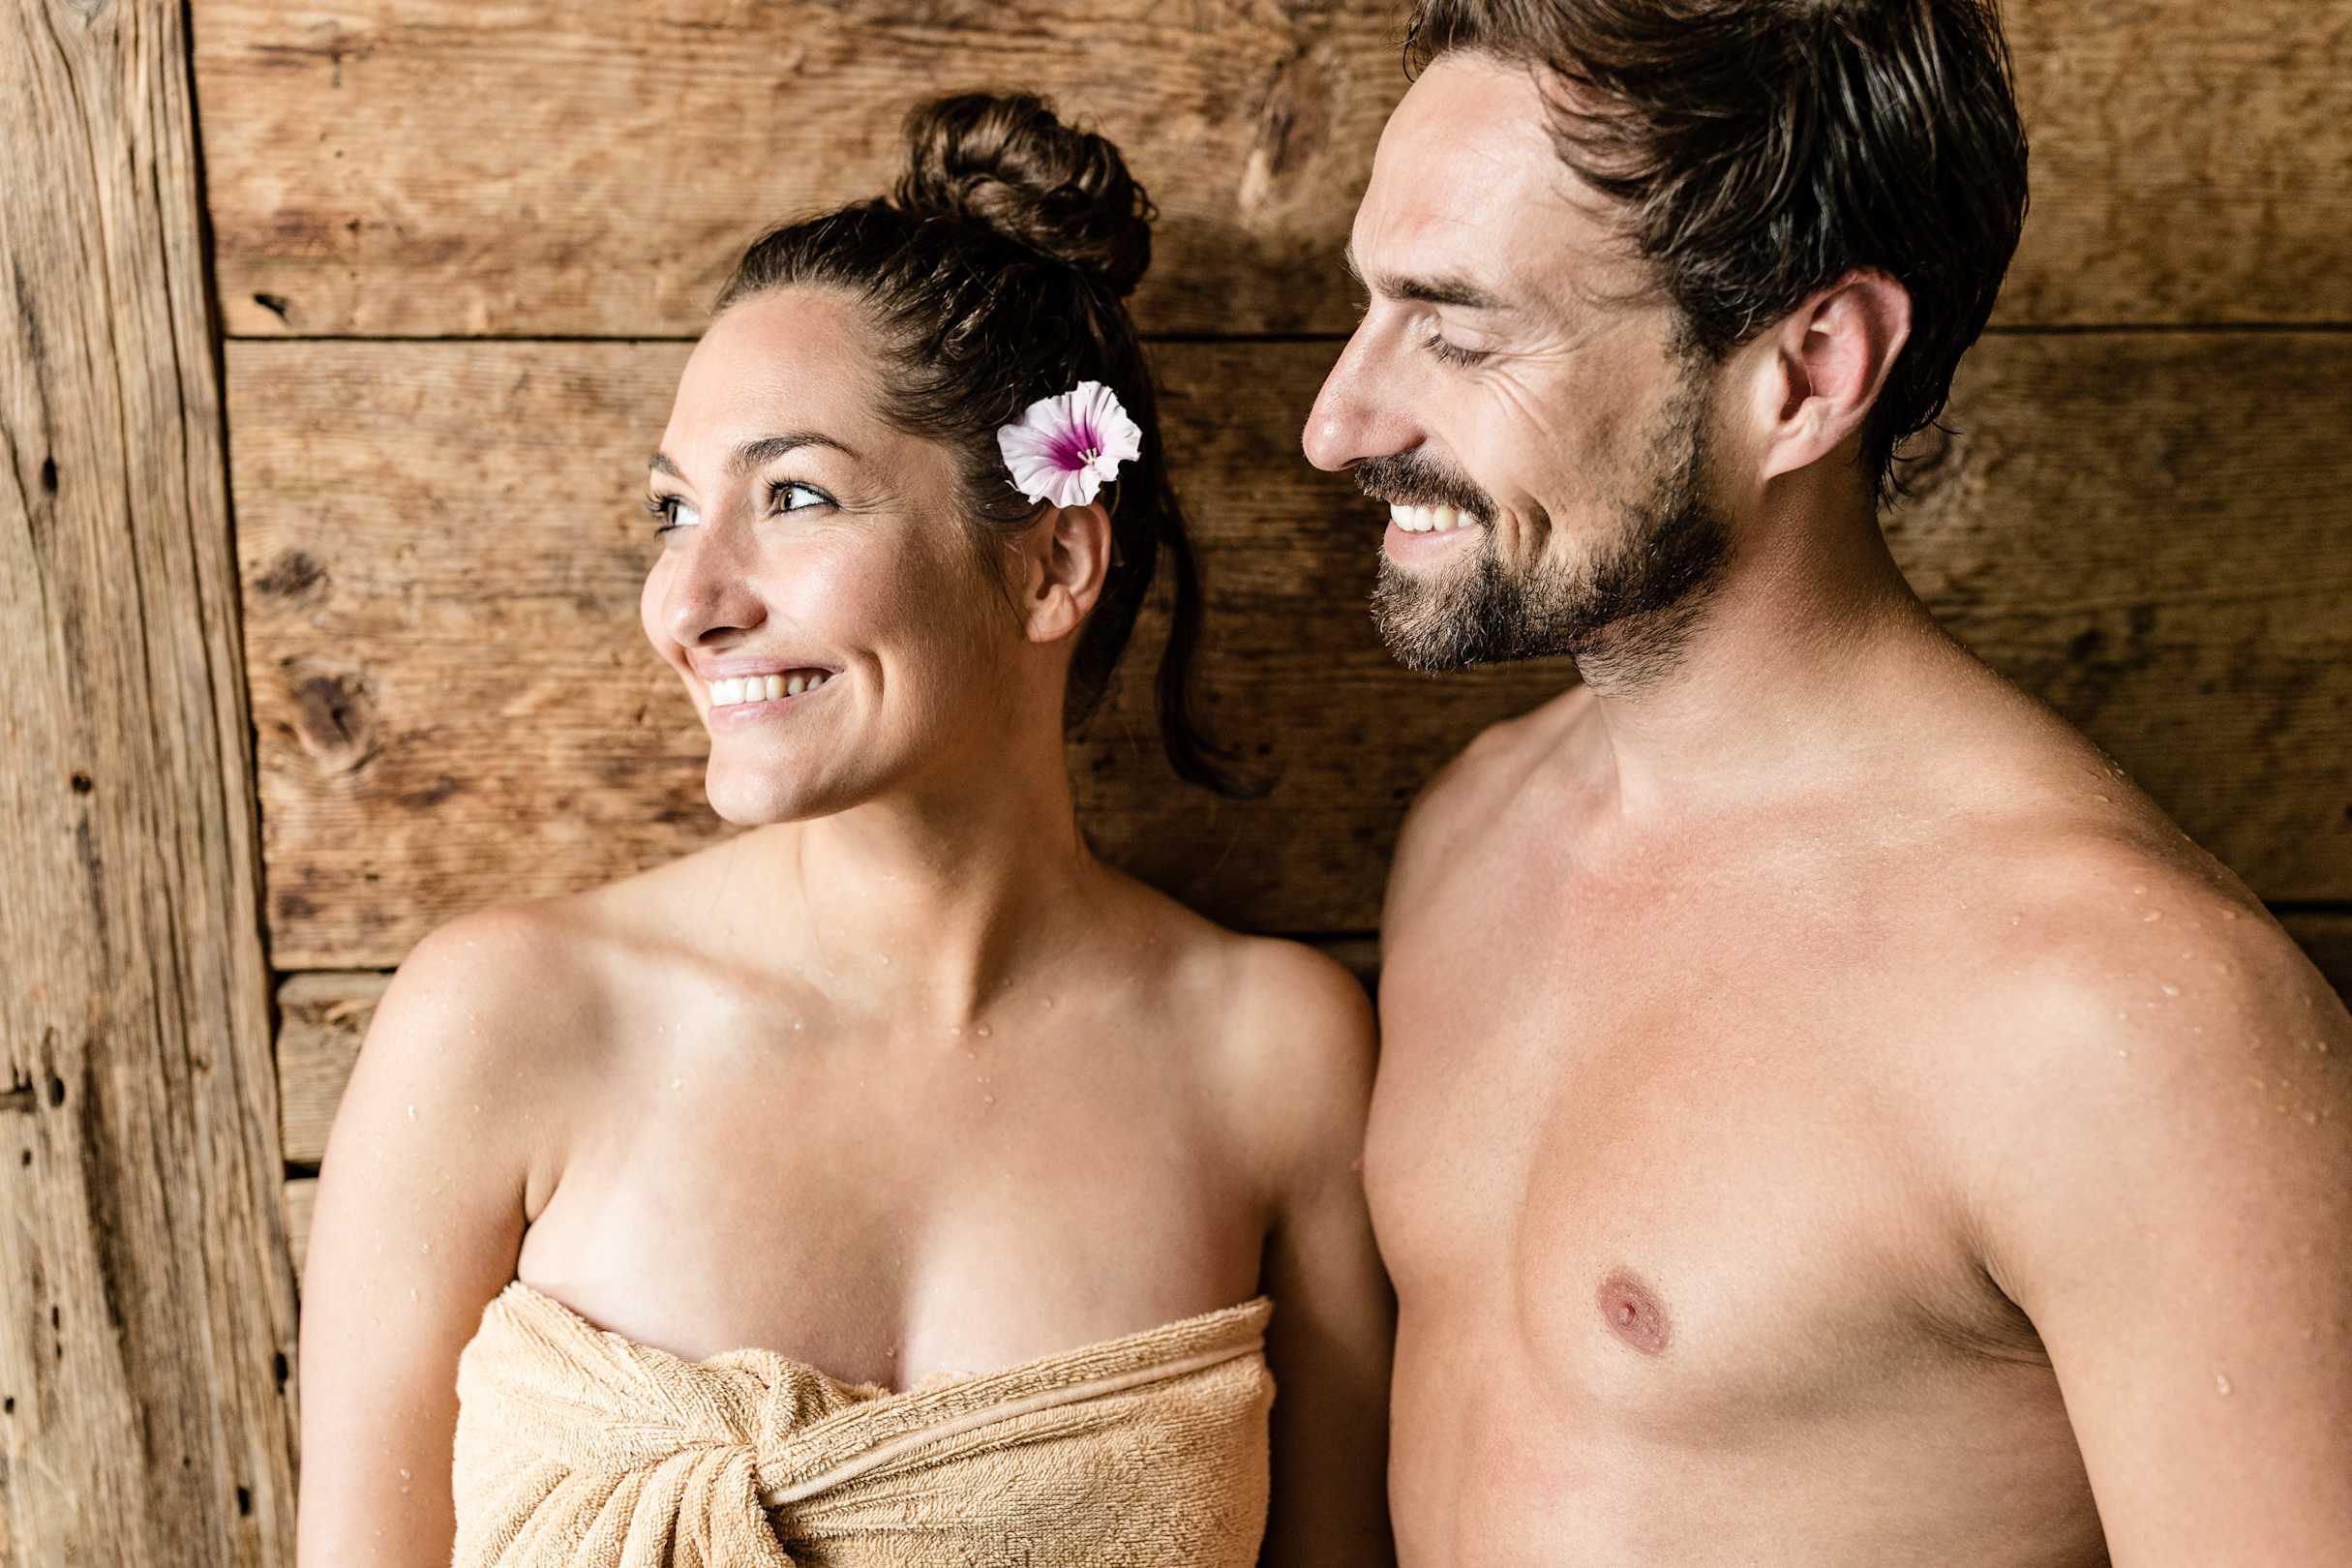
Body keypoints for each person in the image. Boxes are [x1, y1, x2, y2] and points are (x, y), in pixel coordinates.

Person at [1304, 2, 2352, 1563]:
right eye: (1371, 306)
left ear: (1808, 370)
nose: (1337, 424)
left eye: (1458, 332)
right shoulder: (1466, 834)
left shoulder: (2120, 1021)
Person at [296, 92, 1393, 1568]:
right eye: (672, 512)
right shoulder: (504, 1023)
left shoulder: (1272, 1062)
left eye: (794, 496)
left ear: (1052, 563)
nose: (687, 604)